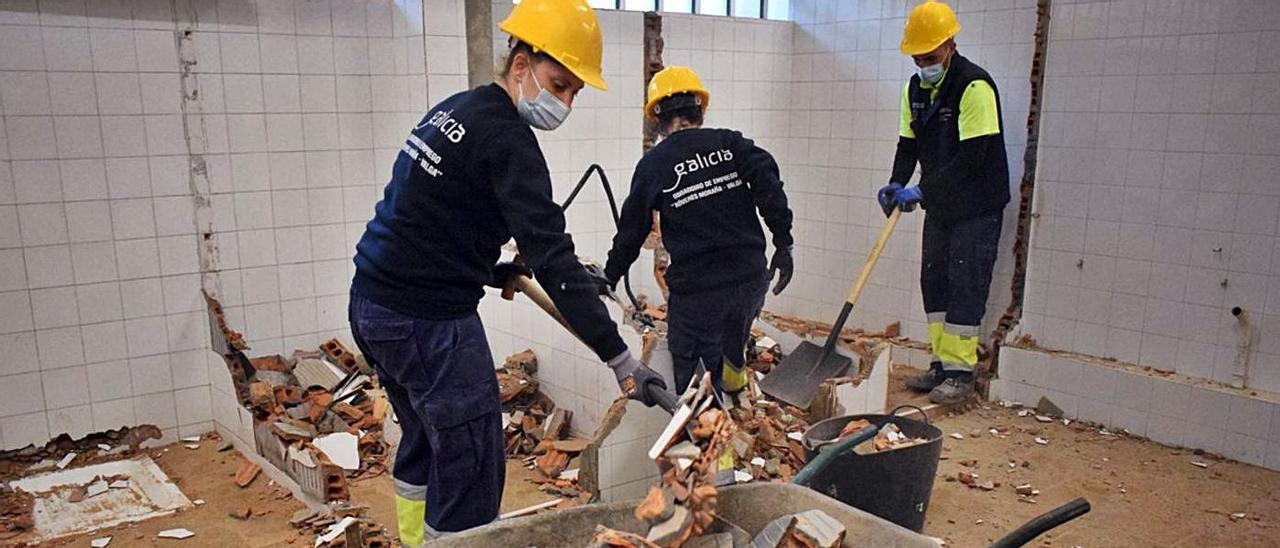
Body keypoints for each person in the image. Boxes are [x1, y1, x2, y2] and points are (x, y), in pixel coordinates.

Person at [347, 0, 667, 543]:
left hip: (373, 304)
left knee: (426, 441)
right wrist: (620, 358)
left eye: (573, 92)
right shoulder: (510, 142)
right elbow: (556, 260)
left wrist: (489, 270)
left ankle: (414, 540)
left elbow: (425, 214)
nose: (563, 102)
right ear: (521, 63)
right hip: (430, 325)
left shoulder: (457, 110)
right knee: (472, 465)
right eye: (557, 83)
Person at [603, 66, 794, 398]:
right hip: (749, 279)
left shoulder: (654, 164)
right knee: (732, 338)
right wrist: (783, 241)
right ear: (699, 110)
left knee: (694, 389)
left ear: (657, 119)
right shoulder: (730, 142)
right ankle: (734, 384)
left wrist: (609, 275)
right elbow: (767, 179)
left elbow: (631, 231)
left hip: (699, 293)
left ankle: (706, 439)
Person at [877, 1, 1009, 405]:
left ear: (950, 45)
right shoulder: (915, 89)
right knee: (933, 279)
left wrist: (922, 191)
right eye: (917, 57)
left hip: (978, 205)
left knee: (965, 282)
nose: (923, 63)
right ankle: (941, 364)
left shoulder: (974, 86)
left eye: (930, 56)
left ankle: (961, 373)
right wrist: (897, 181)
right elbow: (909, 143)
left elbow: (974, 157)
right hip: (943, 205)